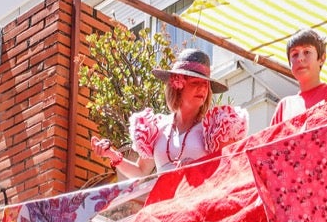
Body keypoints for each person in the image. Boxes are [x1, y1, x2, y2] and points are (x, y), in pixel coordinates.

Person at [92, 48, 248, 178]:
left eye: (205, 85)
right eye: (195, 83)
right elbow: (141, 172)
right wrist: (112, 155)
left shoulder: (215, 129)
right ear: (177, 86)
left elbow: (227, 174)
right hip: (162, 208)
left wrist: (195, 172)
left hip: (197, 209)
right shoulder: (156, 128)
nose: (202, 89)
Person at [269, 29, 327, 127]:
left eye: (307, 52)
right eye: (294, 54)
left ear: (321, 58)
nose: (300, 58)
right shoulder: (285, 106)